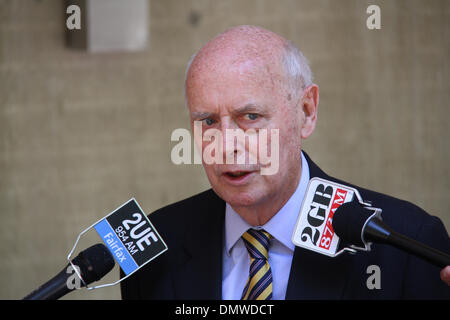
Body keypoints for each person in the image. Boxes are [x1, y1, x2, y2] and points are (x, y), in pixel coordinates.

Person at [120, 25, 450, 299]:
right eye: (207, 121)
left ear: (306, 112)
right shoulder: (154, 246)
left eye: (250, 116)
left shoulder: (406, 246)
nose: (226, 145)